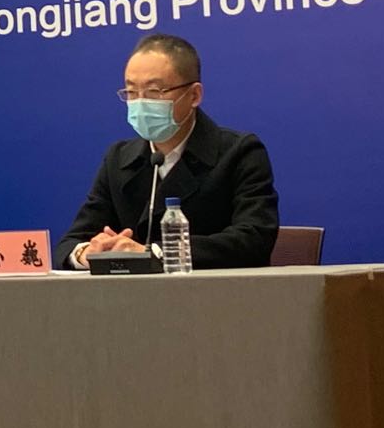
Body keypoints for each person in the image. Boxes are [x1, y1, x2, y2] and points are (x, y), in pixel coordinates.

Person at [55, 33, 280, 270]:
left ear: (194, 95)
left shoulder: (239, 152)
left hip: (214, 291)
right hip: (130, 294)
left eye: (154, 91)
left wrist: (154, 253)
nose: (140, 102)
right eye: (131, 92)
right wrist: (87, 253)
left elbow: (254, 239)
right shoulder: (118, 159)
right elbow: (71, 242)